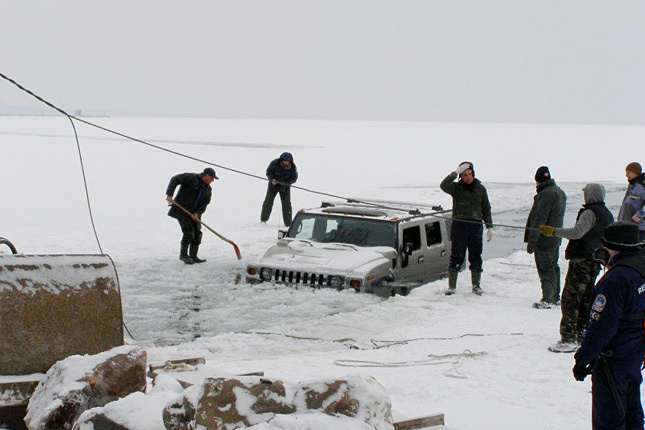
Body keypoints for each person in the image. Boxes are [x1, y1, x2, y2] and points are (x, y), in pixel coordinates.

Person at [573, 221, 645, 430]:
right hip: (634, 353)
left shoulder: (616, 280)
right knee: (631, 409)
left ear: (611, 246)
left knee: (611, 416)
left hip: (613, 358)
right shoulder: (640, 267)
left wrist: (584, 358)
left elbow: (602, 326)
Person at [538, 184, 614, 353]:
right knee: (586, 298)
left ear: (591, 195)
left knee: (571, 299)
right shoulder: (606, 214)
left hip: (582, 262)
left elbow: (577, 232)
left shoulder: (590, 212)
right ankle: (581, 333)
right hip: (594, 261)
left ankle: (569, 338)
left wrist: (553, 231)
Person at [440, 161, 493, 296]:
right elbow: (443, 185)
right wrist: (455, 172)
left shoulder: (480, 189)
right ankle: (452, 287)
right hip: (459, 226)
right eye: (464, 175)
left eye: (470, 174)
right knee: (457, 256)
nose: (468, 177)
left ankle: (476, 286)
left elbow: (486, 208)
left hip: (475, 227)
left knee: (475, 256)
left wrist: (489, 226)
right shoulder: (456, 188)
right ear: (461, 176)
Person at [525, 166, 567, 309]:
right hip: (554, 237)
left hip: (544, 239)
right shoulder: (559, 192)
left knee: (545, 268)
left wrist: (532, 241)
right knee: (553, 266)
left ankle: (548, 298)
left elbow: (540, 219)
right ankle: (554, 296)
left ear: (537, 180)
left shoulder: (546, 194)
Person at [165, 167, 218, 264]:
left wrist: (197, 213)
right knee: (189, 233)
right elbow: (175, 179)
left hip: (194, 214)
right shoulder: (191, 177)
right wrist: (169, 194)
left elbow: (204, 204)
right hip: (181, 210)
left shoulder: (208, 190)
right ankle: (184, 255)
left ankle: (193, 256)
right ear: (206, 175)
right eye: (212, 178)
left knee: (198, 234)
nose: (212, 180)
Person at [260, 152, 298, 226]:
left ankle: (288, 223)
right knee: (268, 201)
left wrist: (287, 183)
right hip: (273, 186)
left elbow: (294, 178)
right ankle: (263, 219)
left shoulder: (293, 167)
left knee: (286, 204)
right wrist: (272, 179)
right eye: (284, 160)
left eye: (288, 161)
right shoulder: (274, 163)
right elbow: (268, 172)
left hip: (285, 187)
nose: (286, 162)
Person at [618, 162, 645, 242]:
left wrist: (640, 214)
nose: (626, 175)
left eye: (628, 172)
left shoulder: (640, 187)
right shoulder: (632, 186)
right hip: (627, 227)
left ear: (635, 173)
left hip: (637, 229)